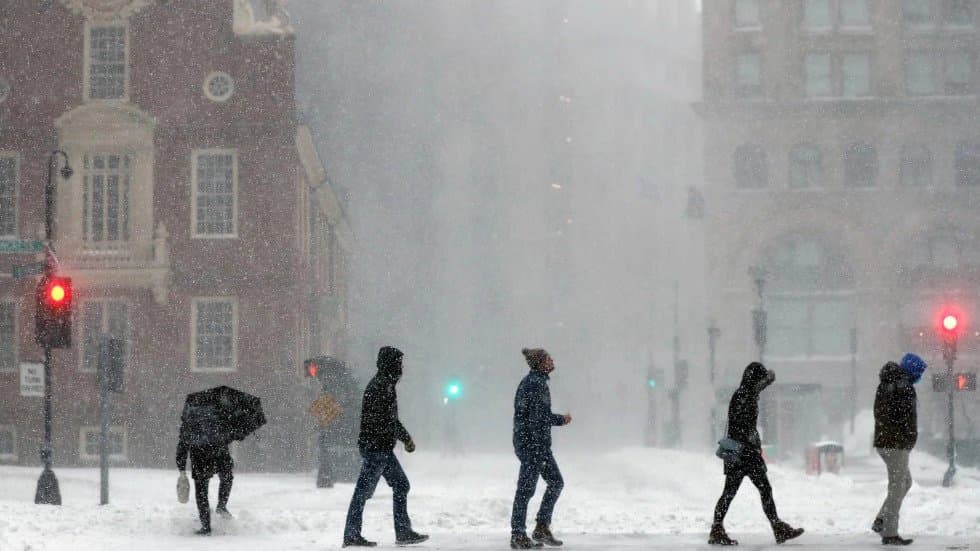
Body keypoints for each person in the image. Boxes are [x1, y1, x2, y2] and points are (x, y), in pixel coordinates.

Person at [709, 362, 803, 546]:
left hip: (739, 453)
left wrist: (768, 379)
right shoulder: (745, 396)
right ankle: (777, 527)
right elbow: (741, 426)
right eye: (760, 379)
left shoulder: (745, 393)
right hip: (744, 453)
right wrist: (751, 443)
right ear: (754, 379)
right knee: (759, 490)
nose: (762, 384)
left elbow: (741, 424)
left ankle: (717, 528)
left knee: (732, 492)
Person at [343, 346, 428, 547]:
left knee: (400, 485)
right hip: (376, 449)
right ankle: (352, 535)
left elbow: (389, 420)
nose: (401, 367)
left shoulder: (385, 385)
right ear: (390, 364)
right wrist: (406, 439)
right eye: (399, 363)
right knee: (363, 492)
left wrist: (403, 438)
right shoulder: (381, 387)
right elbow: (389, 421)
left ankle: (403, 531)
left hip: (380, 448)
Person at [510, 348, 572, 549]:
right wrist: (561, 420)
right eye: (548, 358)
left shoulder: (537, 382)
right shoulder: (534, 384)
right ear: (540, 363)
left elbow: (536, 415)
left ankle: (541, 528)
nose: (552, 360)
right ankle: (518, 535)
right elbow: (539, 417)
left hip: (538, 445)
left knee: (555, 482)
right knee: (526, 490)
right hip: (532, 445)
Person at [871, 353, 926, 546]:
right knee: (897, 487)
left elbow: (881, 413)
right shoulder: (903, 386)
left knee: (905, 482)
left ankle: (881, 519)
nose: (920, 376)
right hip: (896, 445)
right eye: (920, 372)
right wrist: (907, 438)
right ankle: (890, 532)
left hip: (885, 442)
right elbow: (905, 419)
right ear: (913, 370)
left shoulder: (887, 383)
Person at [176, 427, 234, 535]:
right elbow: (228, 432)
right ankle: (221, 506)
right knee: (227, 477)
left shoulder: (191, 414)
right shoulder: (218, 412)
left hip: (200, 455)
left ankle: (206, 526)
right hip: (219, 452)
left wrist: (181, 467)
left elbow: (183, 441)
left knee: (201, 491)